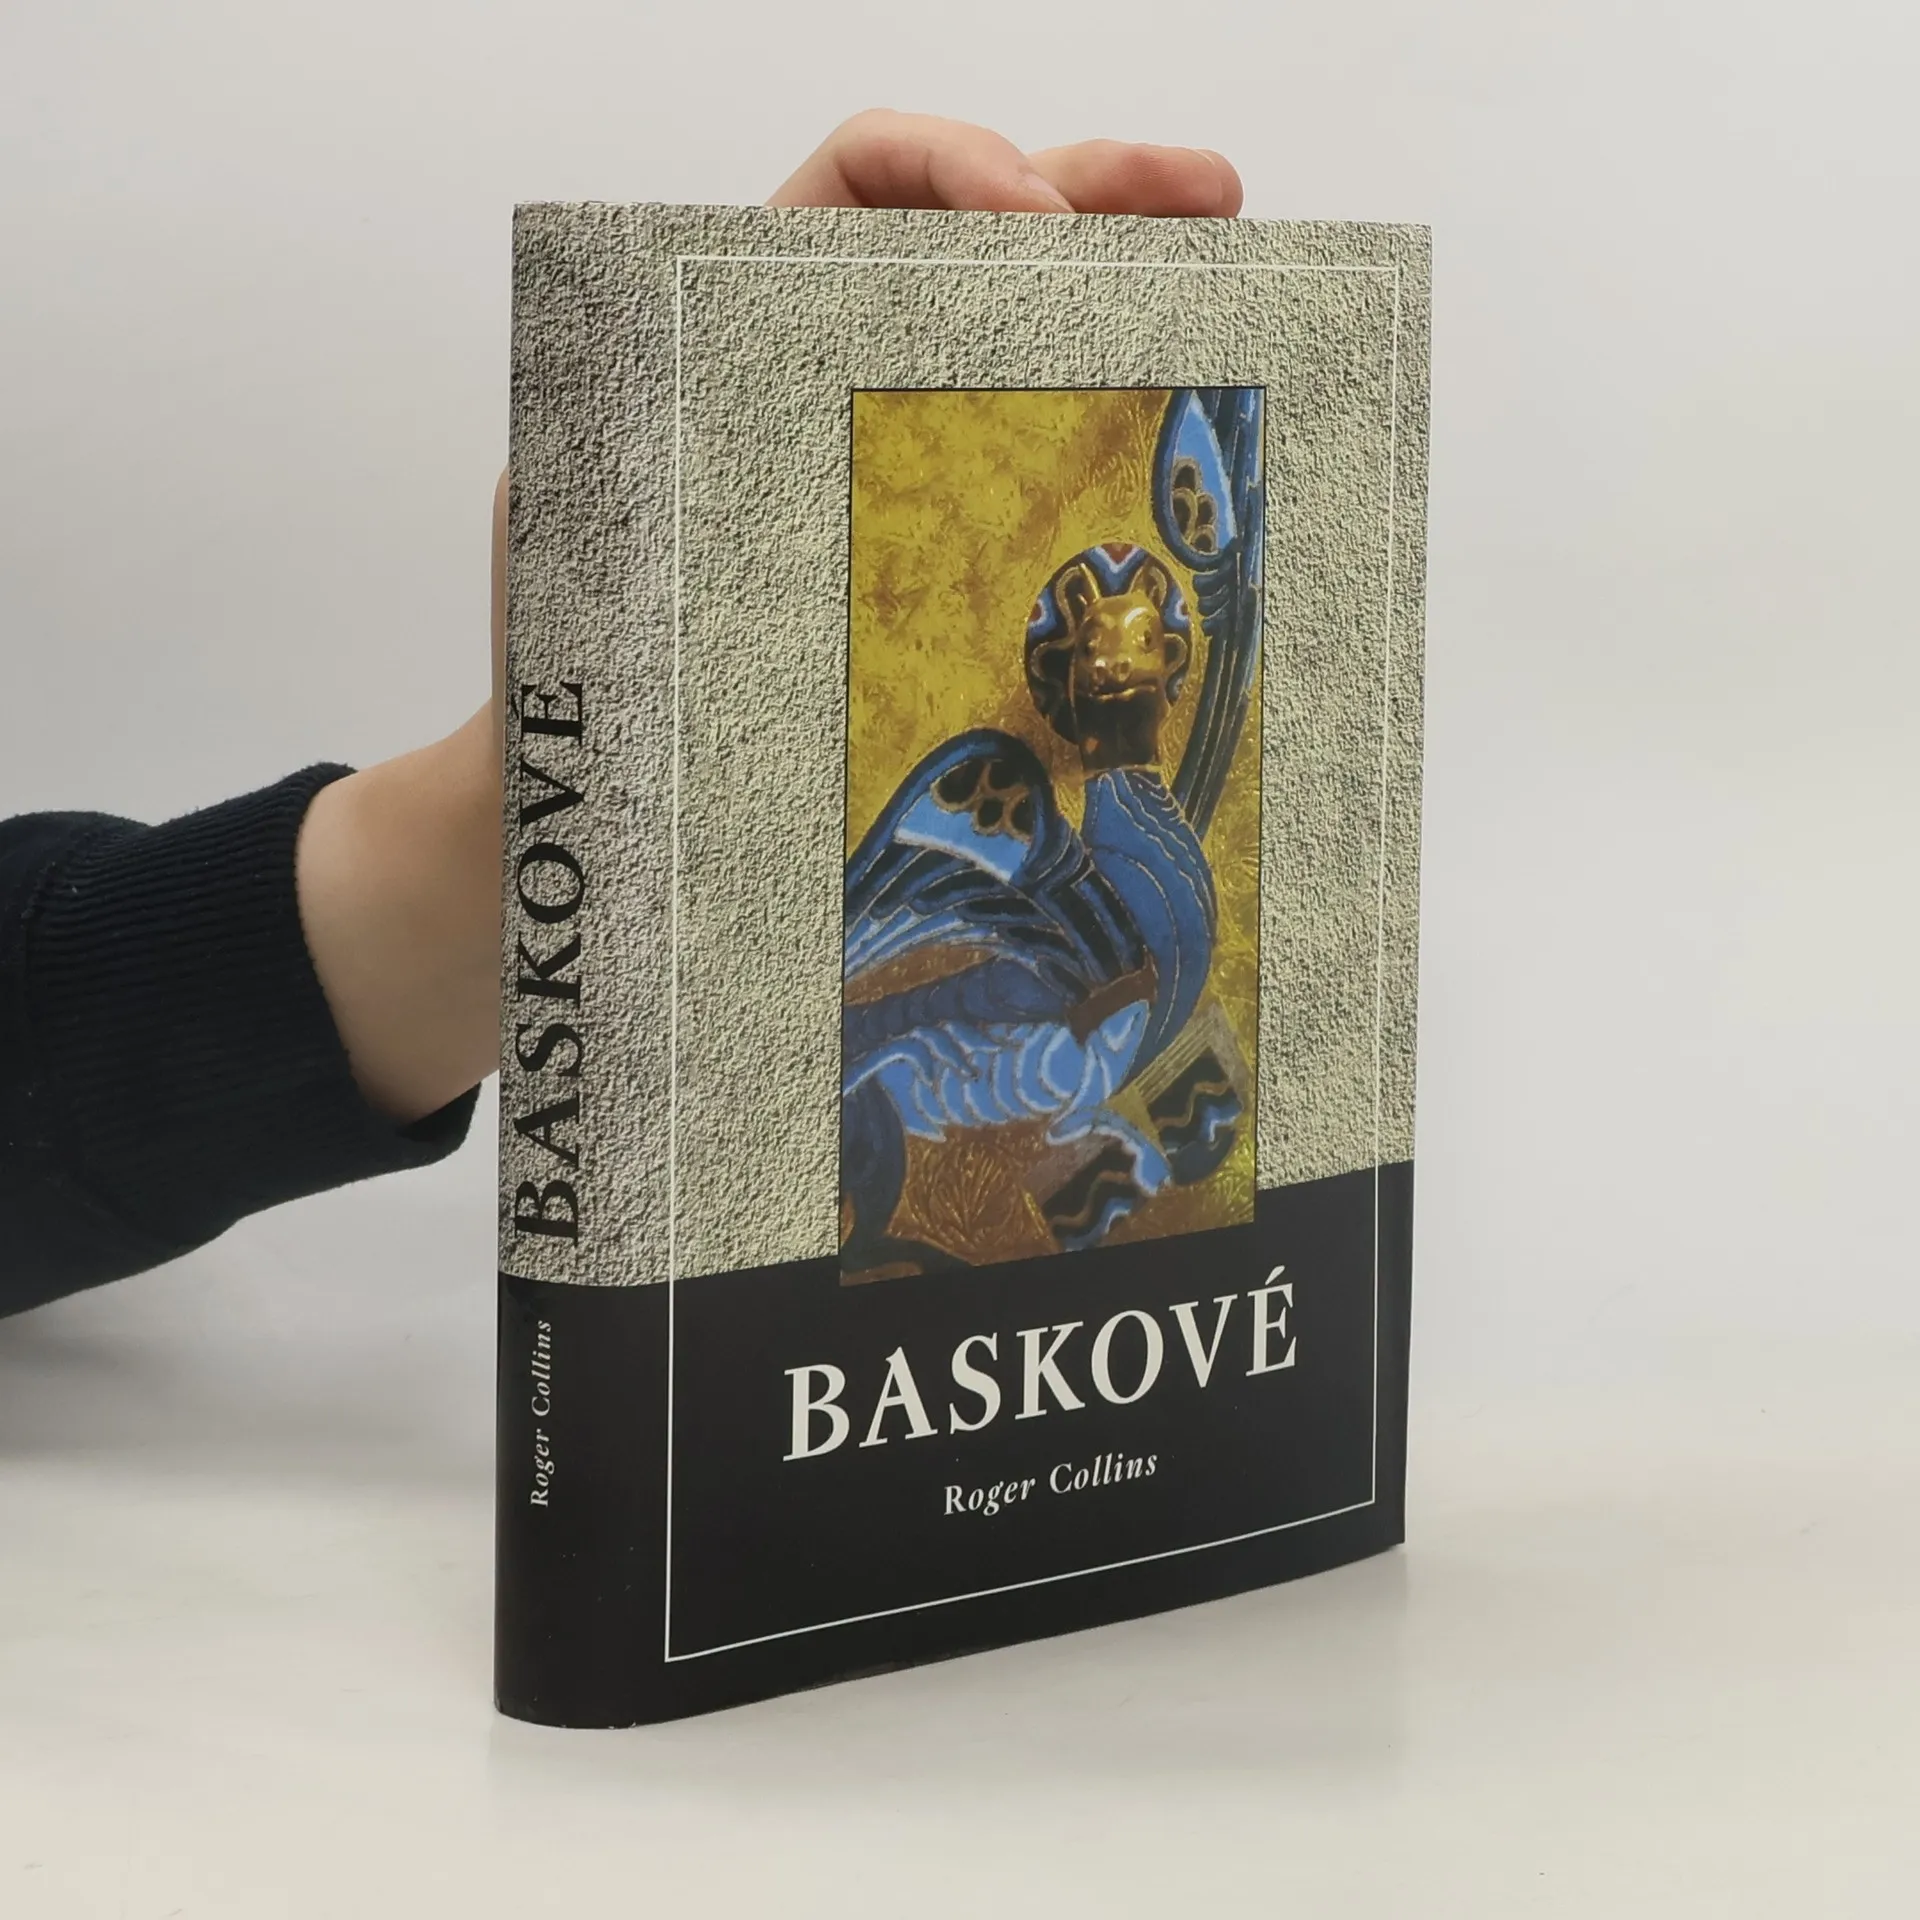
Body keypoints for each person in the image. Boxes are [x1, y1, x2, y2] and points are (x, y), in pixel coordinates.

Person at [0, 112, 1243, 1319]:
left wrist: (552, 813)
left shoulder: (1080, 889)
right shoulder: (999, 840)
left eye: (1143, 637)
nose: (1120, 655)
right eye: (1096, 631)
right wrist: (551, 814)